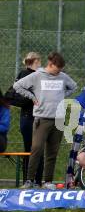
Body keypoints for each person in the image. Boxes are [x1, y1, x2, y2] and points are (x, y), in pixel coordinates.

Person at [15, 52, 77, 189]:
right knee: (36, 149)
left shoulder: (62, 77)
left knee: (52, 152)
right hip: (42, 119)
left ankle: (48, 181)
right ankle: (29, 180)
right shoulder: (37, 76)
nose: (59, 72)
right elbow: (17, 86)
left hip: (58, 120)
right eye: (57, 69)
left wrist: (62, 95)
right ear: (50, 64)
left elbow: (74, 86)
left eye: (61, 70)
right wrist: (32, 97)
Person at [14, 52, 44, 184]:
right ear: (35, 61)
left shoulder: (41, 75)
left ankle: (35, 179)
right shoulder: (24, 75)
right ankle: (29, 179)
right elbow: (16, 94)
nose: (41, 64)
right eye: (39, 61)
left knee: (36, 148)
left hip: (37, 117)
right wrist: (32, 97)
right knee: (31, 148)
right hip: (28, 116)